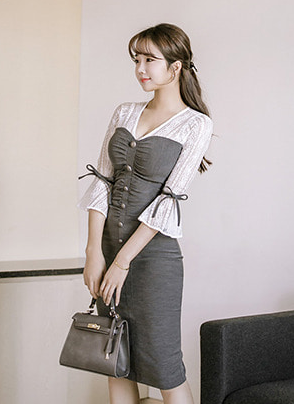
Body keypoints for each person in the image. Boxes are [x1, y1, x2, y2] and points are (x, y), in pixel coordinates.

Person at [78, 23, 213, 404]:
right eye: (136, 59)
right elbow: (102, 182)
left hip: (154, 260)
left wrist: (122, 262)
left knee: (165, 365)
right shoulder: (124, 112)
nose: (140, 68)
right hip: (108, 251)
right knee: (116, 359)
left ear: (175, 67)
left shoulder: (195, 124)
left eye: (149, 60)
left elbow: (168, 200)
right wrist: (94, 252)